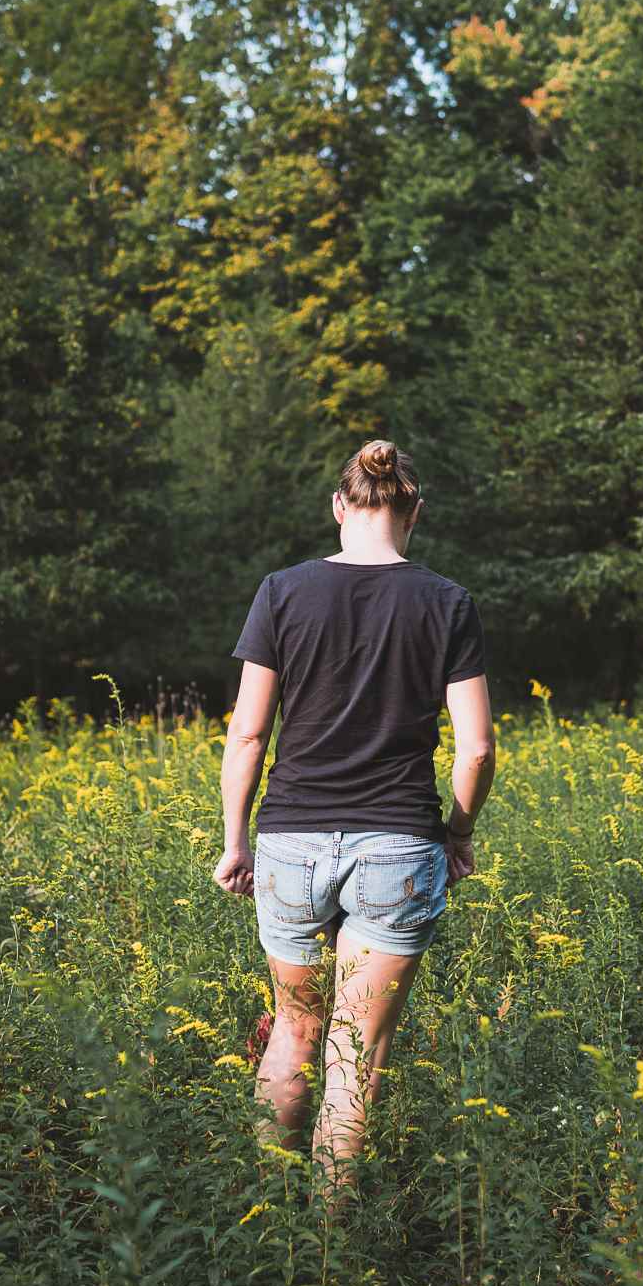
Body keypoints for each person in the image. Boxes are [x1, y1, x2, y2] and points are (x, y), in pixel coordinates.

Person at [212, 438, 496, 1207]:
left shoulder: (281, 591)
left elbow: (247, 734)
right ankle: (332, 1241)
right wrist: (458, 832)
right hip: (398, 845)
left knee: (293, 1033)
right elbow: (475, 748)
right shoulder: (447, 601)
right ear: (416, 513)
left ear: (340, 506)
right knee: (355, 1053)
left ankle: (271, 1223)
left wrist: (236, 840)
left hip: (290, 841)